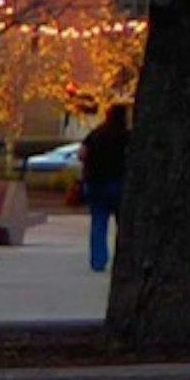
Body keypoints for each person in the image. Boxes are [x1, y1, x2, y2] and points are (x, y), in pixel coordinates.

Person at [81, 102, 131, 276]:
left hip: (95, 184)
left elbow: (82, 154)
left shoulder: (96, 134)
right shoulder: (126, 136)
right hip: (118, 183)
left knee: (98, 223)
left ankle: (98, 260)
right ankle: (125, 259)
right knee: (124, 225)